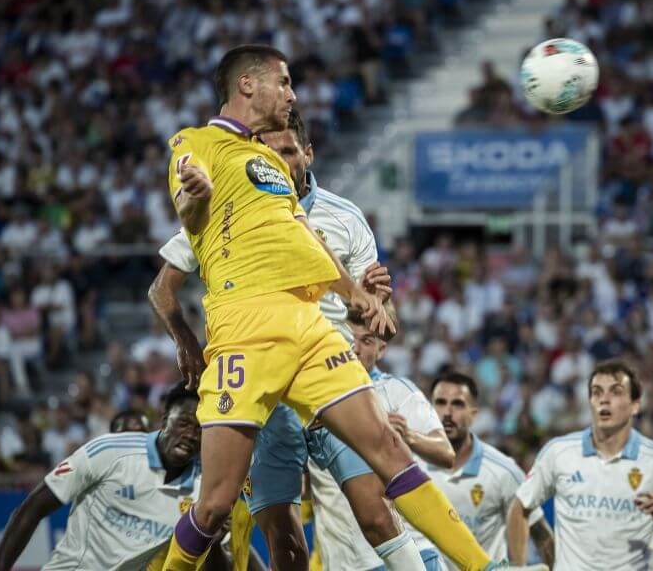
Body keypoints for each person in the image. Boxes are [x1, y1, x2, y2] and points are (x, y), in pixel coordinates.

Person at [162, 43, 499, 571]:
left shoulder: (268, 163)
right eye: (285, 81)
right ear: (248, 85)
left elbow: (302, 239)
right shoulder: (197, 142)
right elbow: (186, 195)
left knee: (387, 448)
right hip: (246, 330)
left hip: (308, 326)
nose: (292, 93)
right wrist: (192, 195)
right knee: (214, 504)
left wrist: (355, 294)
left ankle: (485, 568)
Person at [152, 111, 428, 570]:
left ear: (307, 154)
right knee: (283, 538)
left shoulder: (347, 218)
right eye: (269, 151)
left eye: (286, 152)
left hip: (330, 381)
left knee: (378, 514)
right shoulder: (230, 200)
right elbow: (160, 288)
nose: (277, 159)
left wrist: (379, 305)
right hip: (261, 387)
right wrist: (183, 337)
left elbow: (383, 323)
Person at [505, 359, 653, 570]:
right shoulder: (558, 452)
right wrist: (519, 566)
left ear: (636, 406)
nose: (604, 400)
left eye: (616, 392)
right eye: (597, 392)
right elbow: (520, 506)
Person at [0, 383, 205, 570]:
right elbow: (33, 507)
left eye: (200, 429)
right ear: (165, 420)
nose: (191, 435)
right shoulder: (109, 450)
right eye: (184, 424)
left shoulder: (204, 488)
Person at [306, 308, 454, 571]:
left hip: (412, 554)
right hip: (346, 564)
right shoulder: (310, 402)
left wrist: (410, 436)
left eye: (366, 341)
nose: (355, 349)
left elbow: (446, 453)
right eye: (348, 339)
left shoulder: (397, 391)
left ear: (382, 349)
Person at [429, 373, 552, 568]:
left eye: (458, 404)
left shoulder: (503, 471)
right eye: (441, 403)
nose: (447, 412)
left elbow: (543, 536)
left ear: (473, 414)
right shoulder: (408, 466)